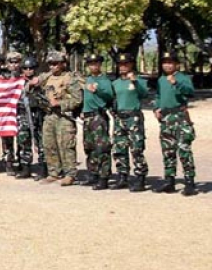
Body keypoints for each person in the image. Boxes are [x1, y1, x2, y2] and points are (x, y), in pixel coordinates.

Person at [31, 51, 83, 187]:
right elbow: (28, 89)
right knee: (49, 144)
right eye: (50, 64)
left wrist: (60, 103)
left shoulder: (70, 78)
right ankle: (53, 172)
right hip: (49, 116)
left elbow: (78, 100)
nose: (52, 67)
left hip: (64, 117)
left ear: (62, 64)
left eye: (55, 64)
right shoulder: (46, 78)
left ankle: (70, 174)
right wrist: (32, 84)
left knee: (66, 145)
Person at [154, 50, 197, 195]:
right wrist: (156, 108)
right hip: (166, 119)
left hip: (179, 116)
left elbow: (190, 92)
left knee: (184, 150)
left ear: (176, 65)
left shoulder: (183, 77)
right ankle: (169, 181)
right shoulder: (161, 80)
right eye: (165, 63)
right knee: (168, 151)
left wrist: (177, 83)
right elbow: (158, 95)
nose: (167, 65)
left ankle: (190, 182)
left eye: (170, 62)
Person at [109, 52, 149, 192]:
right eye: (120, 64)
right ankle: (122, 176)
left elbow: (144, 94)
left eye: (126, 64)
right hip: (119, 118)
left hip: (134, 117)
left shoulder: (139, 80)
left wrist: (135, 82)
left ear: (132, 64)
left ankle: (140, 177)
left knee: (136, 148)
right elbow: (112, 99)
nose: (123, 67)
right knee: (119, 148)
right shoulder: (115, 83)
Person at [80, 54, 114, 189]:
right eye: (90, 63)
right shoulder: (87, 79)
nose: (93, 66)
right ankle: (93, 173)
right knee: (89, 147)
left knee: (102, 147)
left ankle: (103, 176)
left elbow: (109, 96)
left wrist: (98, 91)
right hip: (87, 117)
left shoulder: (104, 80)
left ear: (100, 65)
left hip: (98, 116)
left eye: (96, 63)